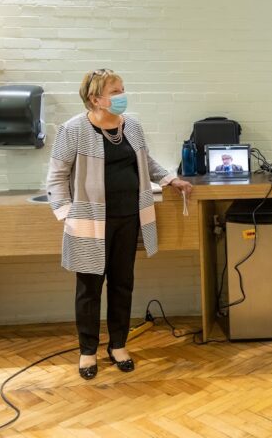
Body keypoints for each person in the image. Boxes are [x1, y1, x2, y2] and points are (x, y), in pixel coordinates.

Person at [46, 68, 193, 380]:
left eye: (122, 89)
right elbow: (57, 175)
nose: (122, 96)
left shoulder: (133, 126)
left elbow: (145, 161)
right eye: (115, 91)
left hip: (129, 218)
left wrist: (170, 179)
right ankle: (87, 351)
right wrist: (66, 213)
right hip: (90, 223)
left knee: (122, 283)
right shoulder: (73, 129)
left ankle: (118, 345)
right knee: (89, 288)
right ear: (95, 98)